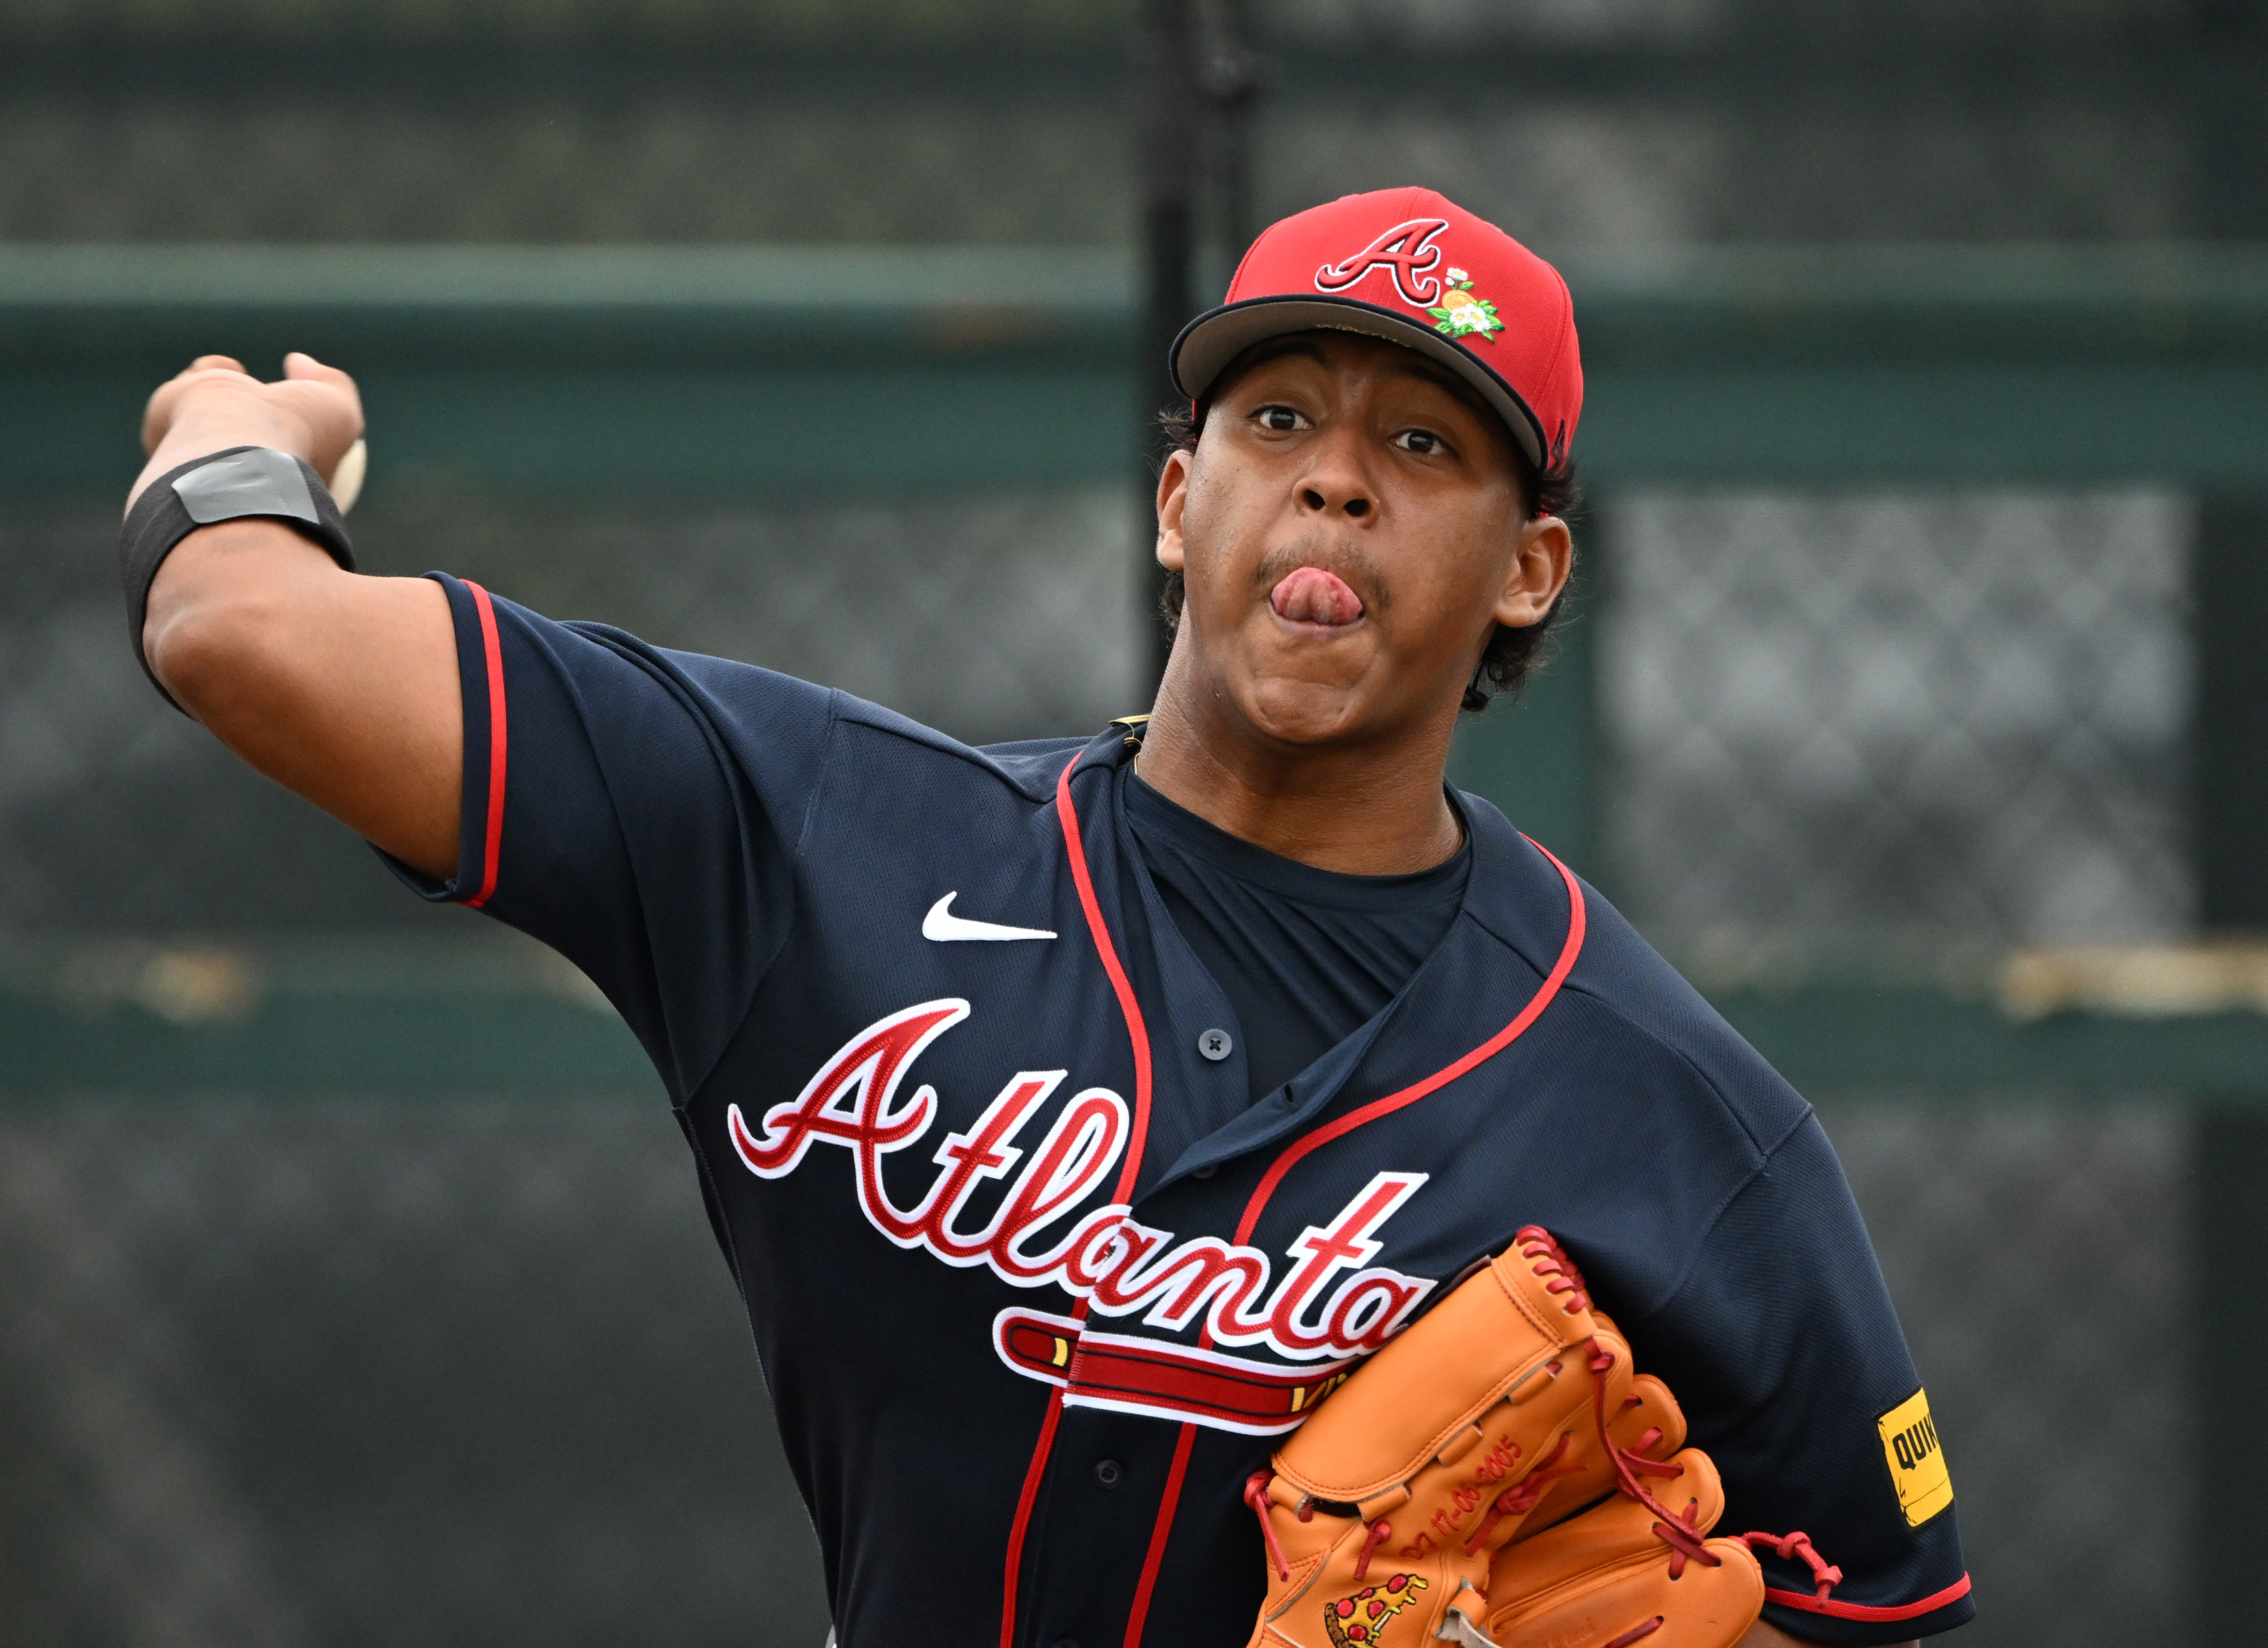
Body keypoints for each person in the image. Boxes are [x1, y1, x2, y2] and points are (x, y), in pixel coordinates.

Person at [120, 187, 1969, 1648]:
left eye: (1426, 445)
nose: (1334, 471)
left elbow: (1864, 1597)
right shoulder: (817, 839)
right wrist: (232, 434)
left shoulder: (1664, 1113)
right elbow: (235, 630)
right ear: (1181, 502)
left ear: (1528, 569)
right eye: (1279, 414)